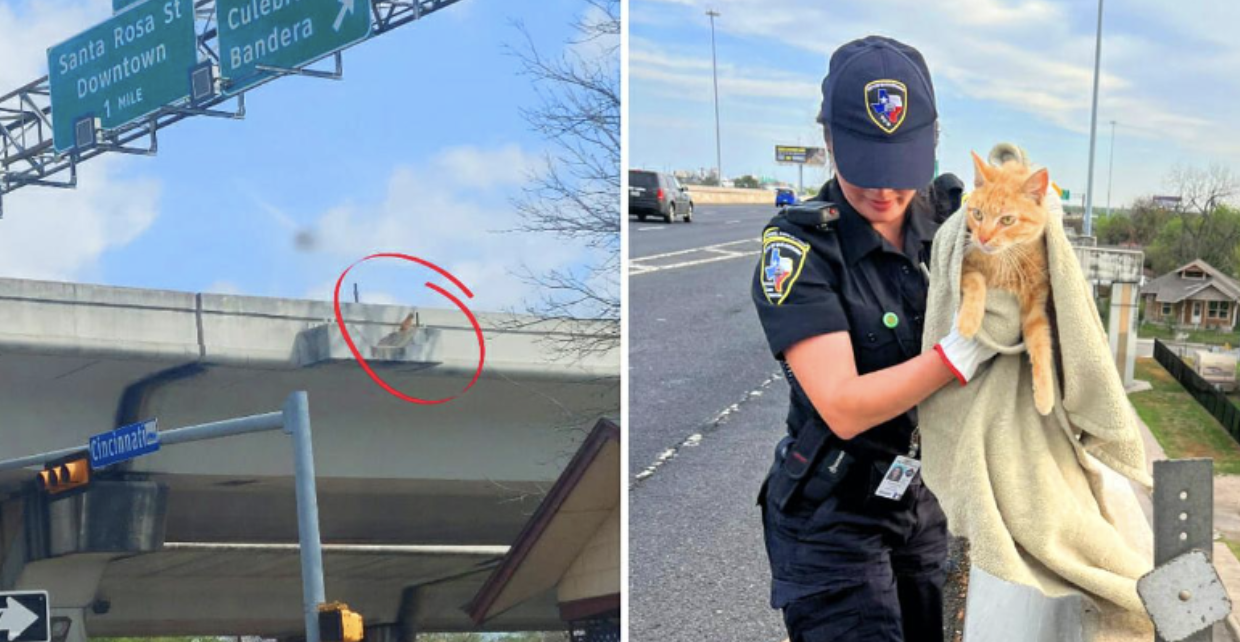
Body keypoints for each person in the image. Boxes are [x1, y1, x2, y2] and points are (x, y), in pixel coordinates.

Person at [751, 36, 998, 642]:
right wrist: (961, 352)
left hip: (920, 498)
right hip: (832, 513)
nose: (885, 193)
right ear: (830, 141)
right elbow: (842, 405)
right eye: (867, 171)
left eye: (900, 171)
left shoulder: (949, 223)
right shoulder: (800, 249)